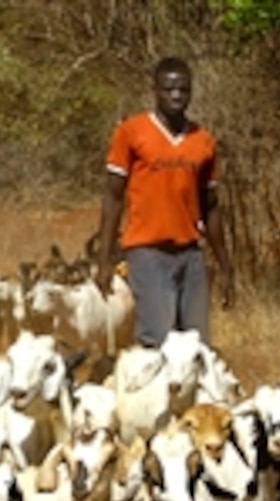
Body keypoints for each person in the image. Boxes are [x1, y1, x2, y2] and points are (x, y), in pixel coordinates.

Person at [95, 56, 234, 347]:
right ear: (155, 90)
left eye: (183, 89)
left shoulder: (203, 141)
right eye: (168, 89)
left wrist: (224, 266)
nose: (176, 96)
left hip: (190, 255)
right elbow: (113, 196)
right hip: (147, 254)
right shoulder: (131, 133)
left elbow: (211, 206)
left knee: (195, 348)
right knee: (159, 342)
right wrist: (105, 257)